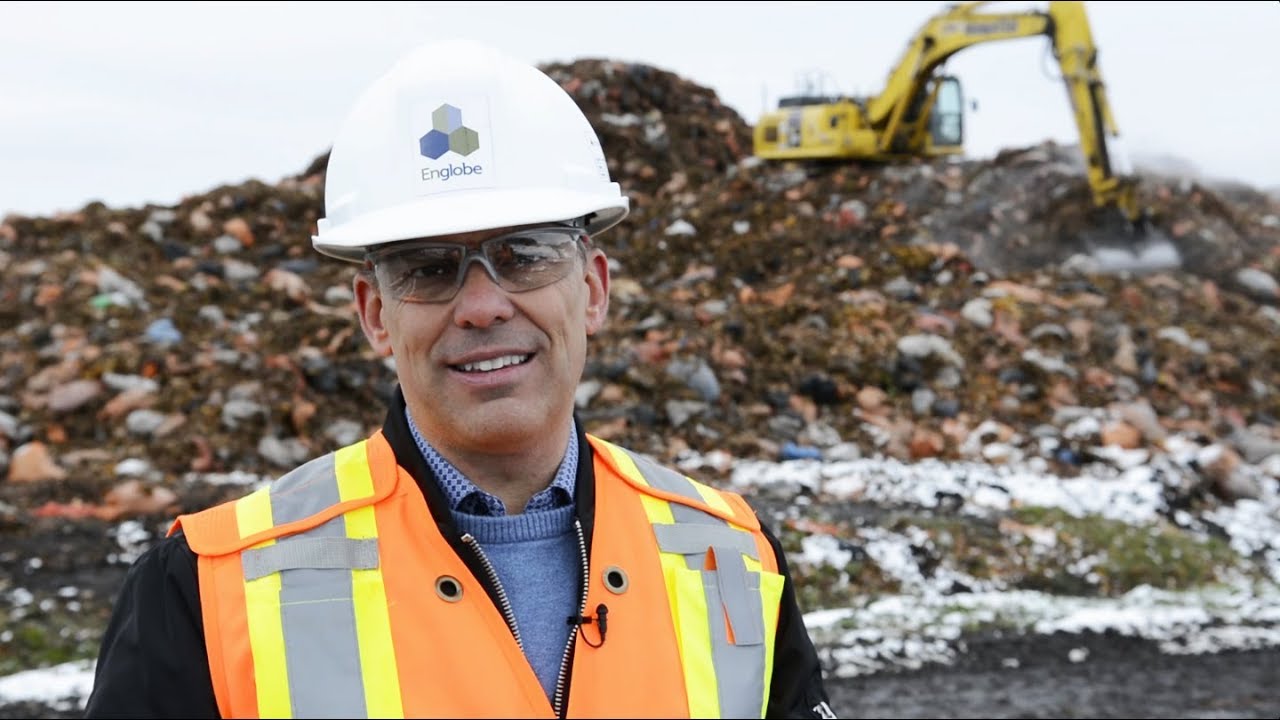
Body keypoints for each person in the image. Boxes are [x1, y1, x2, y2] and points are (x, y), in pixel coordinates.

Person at [85, 38, 836, 719]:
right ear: (374, 313)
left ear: (594, 288)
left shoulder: (731, 562)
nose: (482, 306)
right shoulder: (207, 589)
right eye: (429, 268)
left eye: (524, 254)